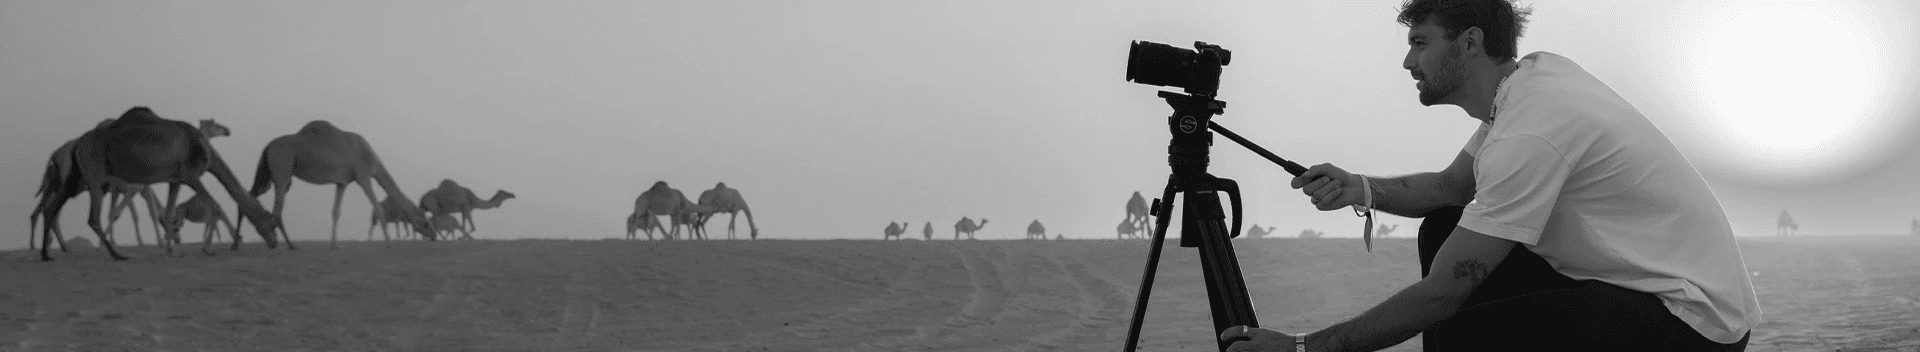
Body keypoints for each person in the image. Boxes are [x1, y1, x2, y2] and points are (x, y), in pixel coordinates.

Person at [1218, 0, 1760, 351]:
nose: (1408, 63)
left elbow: (1443, 294)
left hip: (1692, 322)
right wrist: (1358, 187)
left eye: (1420, 43)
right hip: (1639, 286)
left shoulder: (1531, 130)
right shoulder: (1527, 88)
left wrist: (1300, 348)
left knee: (1461, 328)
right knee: (1444, 224)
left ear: (1470, 42)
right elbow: (1453, 187)